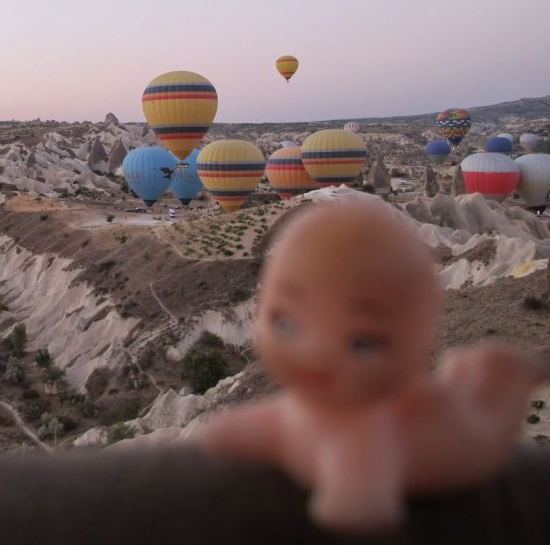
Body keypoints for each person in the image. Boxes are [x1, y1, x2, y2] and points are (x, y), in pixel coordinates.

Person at [199, 199, 548, 534]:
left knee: (489, 390)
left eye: (362, 341)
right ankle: (468, 373)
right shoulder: (301, 412)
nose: (316, 352)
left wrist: (349, 497)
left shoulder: (367, 435)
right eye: (285, 323)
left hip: (471, 436)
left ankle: (502, 374)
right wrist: (229, 435)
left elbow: (359, 503)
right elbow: (272, 425)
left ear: (420, 337)